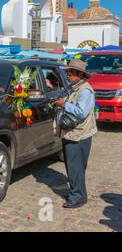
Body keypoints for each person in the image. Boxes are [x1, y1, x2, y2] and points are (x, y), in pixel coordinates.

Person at [55, 60, 98, 209]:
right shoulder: (75, 87)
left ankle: (77, 197)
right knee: (74, 167)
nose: (68, 75)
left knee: (75, 168)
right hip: (73, 134)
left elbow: (81, 112)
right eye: (68, 72)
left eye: (71, 73)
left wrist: (64, 104)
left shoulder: (85, 90)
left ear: (80, 74)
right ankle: (78, 194)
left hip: (79, 135)